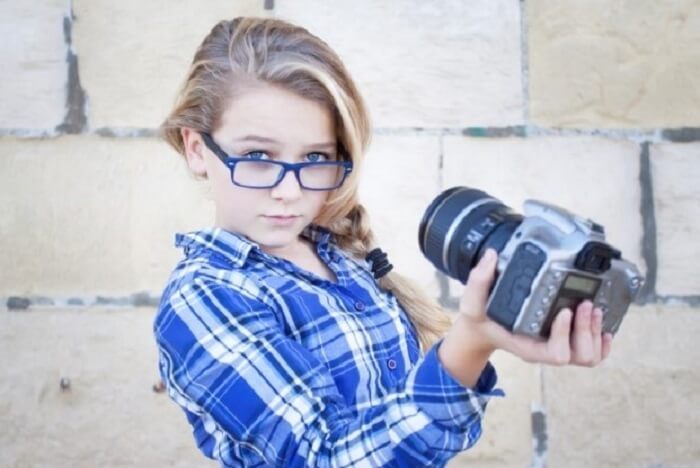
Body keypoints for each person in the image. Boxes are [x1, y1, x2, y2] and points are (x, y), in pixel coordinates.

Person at [153, 17, 613, 467]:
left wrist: (494, 327)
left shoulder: (341, 259)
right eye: (257, 156)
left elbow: (415, 432)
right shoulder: (205, 295)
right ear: (197, 149)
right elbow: (325, 457)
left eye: (315, 158)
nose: (289, 190)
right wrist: (471, 342)